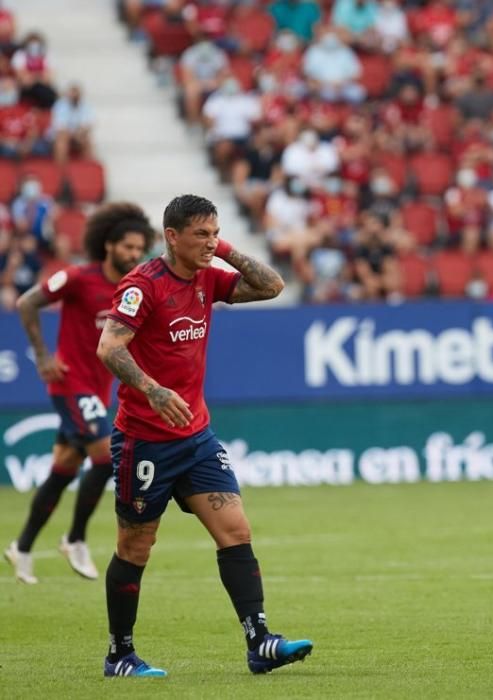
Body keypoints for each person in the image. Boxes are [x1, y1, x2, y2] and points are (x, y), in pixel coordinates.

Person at [95, 194, 311, 678]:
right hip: (144, 441)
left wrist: (223, 249)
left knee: (236, 530)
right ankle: (119, 655)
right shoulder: (142, 286)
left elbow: (272, 285)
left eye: (215, 232)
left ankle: (261, 642)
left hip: (195, 437)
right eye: (200, 234)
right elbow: (109, 347)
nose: (209, 242)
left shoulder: (208, 276)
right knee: (135, 548)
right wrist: (151, 390)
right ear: (172, 237)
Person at [4, 203, 154, 584]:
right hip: (70, 384)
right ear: (108, 245)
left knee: (63, 470)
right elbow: (27, 302)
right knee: (105, 458)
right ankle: (75, 538)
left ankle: (21, 548)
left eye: (140, 249)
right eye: (128, 247)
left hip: (99, 390)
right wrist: (42, 356)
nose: (134, 255)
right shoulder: (77, 278)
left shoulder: (133, 289)